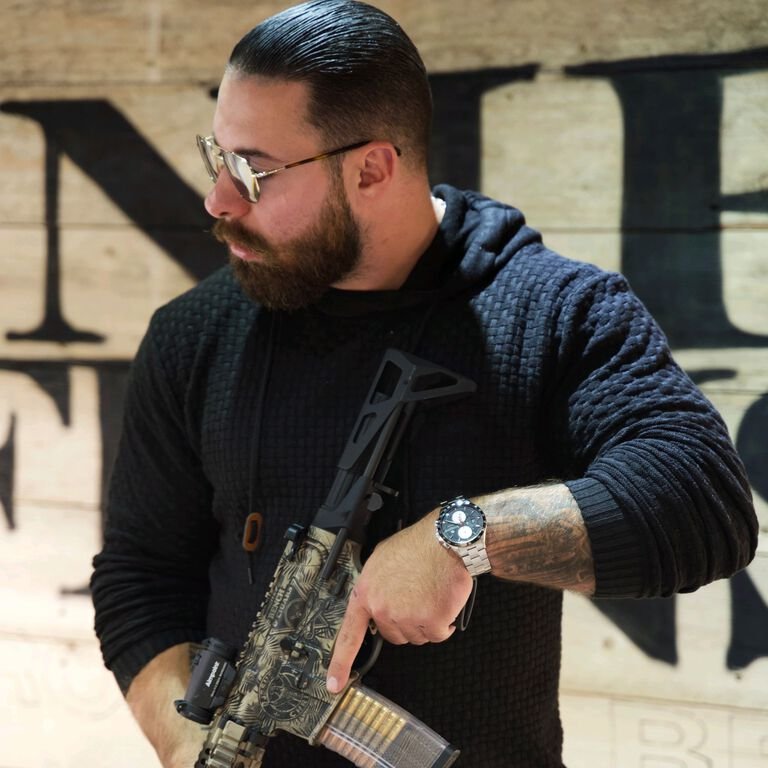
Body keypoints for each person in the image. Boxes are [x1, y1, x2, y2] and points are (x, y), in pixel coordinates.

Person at [90, 1, 758, 766]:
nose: (217, 200)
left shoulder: (554, 312)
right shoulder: (194, 334)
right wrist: (190, 747)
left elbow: (703, 502)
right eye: (218, 156)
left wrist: (462, 536)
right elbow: (141, 576)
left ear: (372, 168)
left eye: (253, 171)